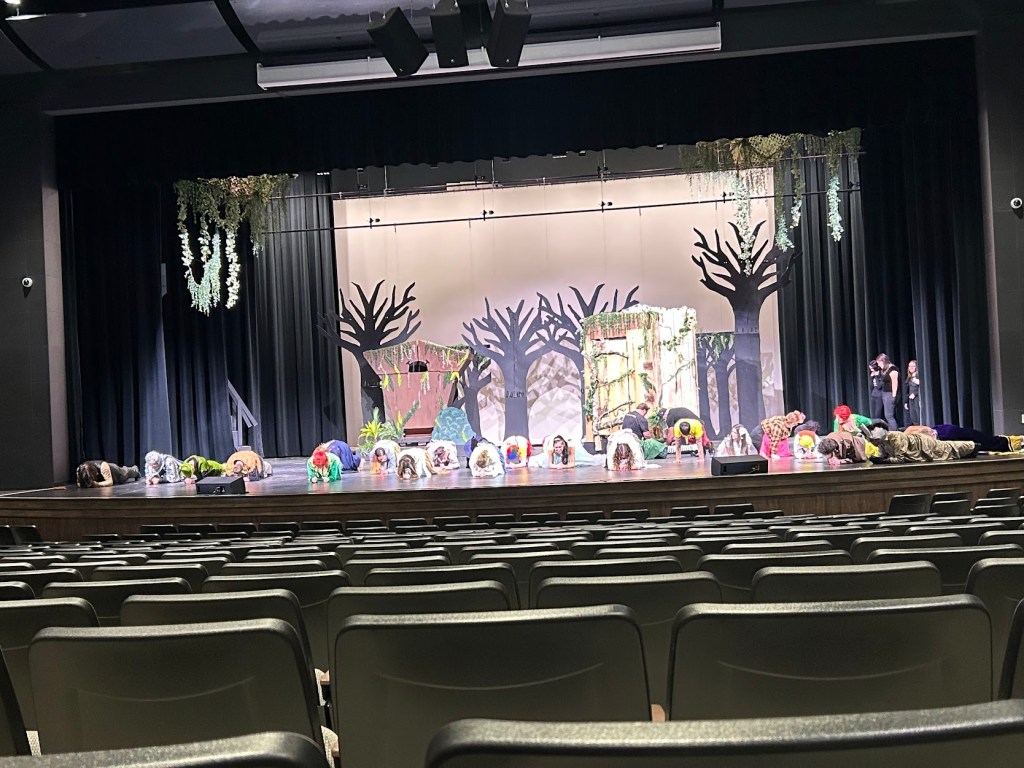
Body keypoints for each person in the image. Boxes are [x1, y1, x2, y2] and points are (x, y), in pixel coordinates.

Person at [869, 428, 976, 463]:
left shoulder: (894, 437)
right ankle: (971, 448)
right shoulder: (882, 443)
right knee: (946, 448)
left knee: (945, 448)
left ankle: (973, 446)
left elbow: (900, 458)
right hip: (918, 448)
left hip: (923, 444)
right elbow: (883, 455)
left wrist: (885, 461)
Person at [874, 353, 900, 430]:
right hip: (885, 393)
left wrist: (893, 396)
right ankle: (892, 430)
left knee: (889, 415)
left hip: (890, 394)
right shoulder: (884, 369)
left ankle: (894, 432)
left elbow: (895, 384)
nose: (879, 365)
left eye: (879, 363)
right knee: (887, 415)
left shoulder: (893, 370)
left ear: (883, 361)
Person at [76, 460, 140, 488]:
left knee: (128, 472)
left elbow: (109, 482)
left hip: (115, 473)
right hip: (102, 476)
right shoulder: (82, 470)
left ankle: (135, 469)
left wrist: (96, 484)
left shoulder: (103, 466)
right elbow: (79, 483)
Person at [904, 360, 922, 426]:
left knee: (918, 416)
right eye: (909, 366)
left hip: (917, 398)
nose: (911, 368)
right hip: (911, 399)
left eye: (913, 366)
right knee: (913, 416)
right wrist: (906, 402)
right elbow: (907, 391)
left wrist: (915, 393)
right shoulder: (909, 377)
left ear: (916, 367)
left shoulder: (918, 376)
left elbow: (922, 387)